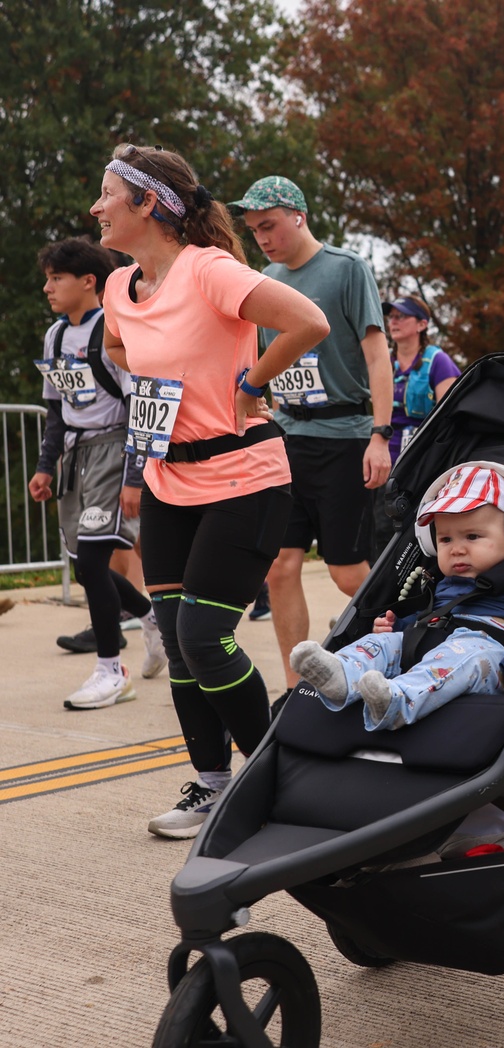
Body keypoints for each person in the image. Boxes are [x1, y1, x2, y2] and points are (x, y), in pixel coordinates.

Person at [91, 144, 330, 838]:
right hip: (170, 480)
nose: (96, 207)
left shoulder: (209, 270)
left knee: (203, 635)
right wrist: (150, 392)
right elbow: (116, 347)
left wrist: (250, 385)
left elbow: (306, 322)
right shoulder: (118, 287)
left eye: (108, 194)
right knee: (177, 632)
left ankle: (271, 778)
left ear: (148, 205)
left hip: (243, 478)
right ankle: (212, 785)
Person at [228, 177, 393, 701]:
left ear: (298, 215)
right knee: (280, 566)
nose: (263, 239)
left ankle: (390, 658)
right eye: (254, 231)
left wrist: (380, 434)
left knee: (348, 574)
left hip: (345, 436)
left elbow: (376, 353)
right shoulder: (266, 279)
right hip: (288, 435)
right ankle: (296, 687)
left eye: (269, 226)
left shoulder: (346, 269)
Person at [289, 463, 504, 730]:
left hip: (488, 658)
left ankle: (397, 703)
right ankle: (342, 678)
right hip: (429, 642)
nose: (456, 549)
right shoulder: (445, 580)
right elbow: (428, 615)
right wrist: (395, 626)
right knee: (380, 642)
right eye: (445, 540)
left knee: (465, 655)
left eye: (472, 536)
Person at [29, 236, 165, 708]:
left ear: (89, 281)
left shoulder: (115, 327)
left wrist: (134, 474)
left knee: (92, 564)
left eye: (57, 278)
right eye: (47, 278)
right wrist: (46, 467)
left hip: (113, 449)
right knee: (86, 568)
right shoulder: (53, 336)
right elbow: (55, 411)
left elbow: (137, 403)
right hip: (75, 456)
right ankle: (151, 618)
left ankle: (111, 670)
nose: (48, 287)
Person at [373, 294, 461, 554]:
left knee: (417, 529)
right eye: (391, 316)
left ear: (422, 324)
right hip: (386, 459)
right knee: (381, 530)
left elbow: (450, 415)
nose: (394, 321)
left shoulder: (438, 361)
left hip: (422, 461)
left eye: (402, 316)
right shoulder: (384, 362)